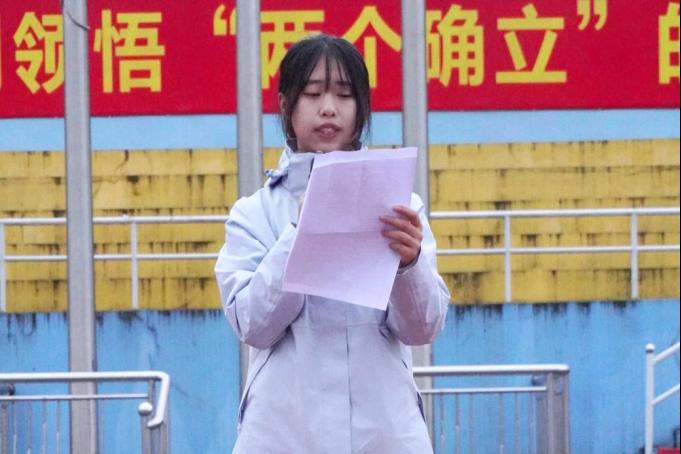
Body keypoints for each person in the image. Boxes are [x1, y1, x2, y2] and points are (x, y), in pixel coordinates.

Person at [214, 34, 450, 454]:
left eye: (344, 94)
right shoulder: (253, 214)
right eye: (312, 94)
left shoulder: (401, 207)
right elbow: (253, 326)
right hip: (284, 436)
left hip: (384, 436)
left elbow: (422, 329)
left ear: (361, 108)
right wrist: (299, 233)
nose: (328, 108)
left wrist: (409, 265)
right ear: (286, 106)